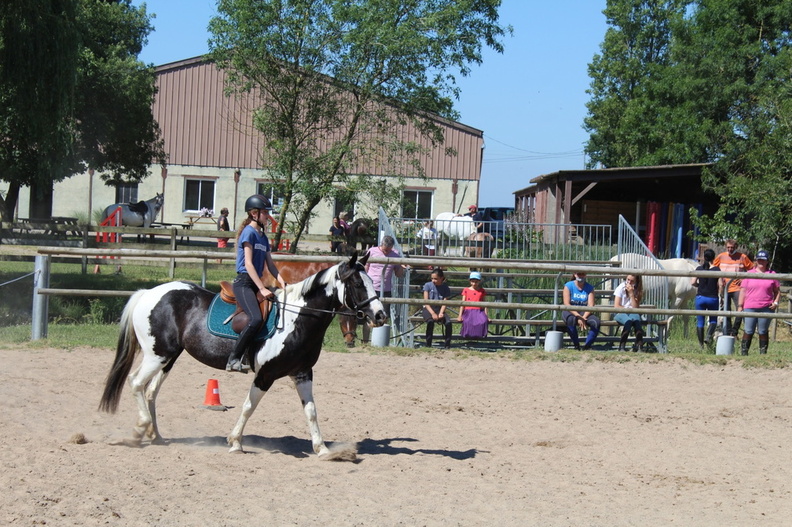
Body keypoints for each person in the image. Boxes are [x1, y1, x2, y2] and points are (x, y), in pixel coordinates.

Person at [227, 194, 287, 372]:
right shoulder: (249, 233)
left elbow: (271, 264)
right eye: (264, 213)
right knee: (255, 319)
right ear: (254, 214)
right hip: (244, 283)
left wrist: (283, 282)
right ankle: (233, 358)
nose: (267, 216)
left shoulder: (263, 237)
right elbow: (248, 263)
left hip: (255, 283)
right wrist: (261, 288)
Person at [737, 250, 780, 355]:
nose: (761, 262)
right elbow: (743, 290)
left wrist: (776, 303)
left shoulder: (772, 274)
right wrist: (740, 305)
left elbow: (777, 291)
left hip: (766, 306)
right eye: (759, 260)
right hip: (750, 306)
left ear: (767, 261)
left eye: (763, 260)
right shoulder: (749, 274)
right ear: (756, 261)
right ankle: (744, 352)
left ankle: (763, 353)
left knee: (763, 331)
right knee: (748, 330)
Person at [713, 240, 754, 336]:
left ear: (736, 247)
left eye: (732, 247)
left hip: (737, 288)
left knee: (740, 309)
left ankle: (735, 331)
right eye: (728, 247)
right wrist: (719, 279)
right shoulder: (721, 256)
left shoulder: (742, 257)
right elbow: (714, 268)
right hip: (724, 288)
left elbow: (752, 269)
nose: (730, 249)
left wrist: (743, 277)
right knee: (726, 310)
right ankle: (727, 331)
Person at [562, 271, 601, 350]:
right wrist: (578, 316)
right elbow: (567, 304)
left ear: (585, 275)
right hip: (570, 310)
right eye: (579, 274)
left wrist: (583, 317)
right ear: (575, 274)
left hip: (584, 311)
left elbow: (591, 305)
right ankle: (576, 345)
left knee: (596, 322)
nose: (581, 276)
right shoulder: (568, 286)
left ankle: (587, 345)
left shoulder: (590, 288)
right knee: (570, 320)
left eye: (583, 274)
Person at [691, 248, 721, 349]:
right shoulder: (717, 270)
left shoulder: (699, 269)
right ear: (714, 258)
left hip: (700, 297)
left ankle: (701, 345)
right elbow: (720, 285)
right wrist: (721, 295)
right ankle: (708, 336)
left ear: (704, 257)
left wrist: (699, 285)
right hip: (712, 298)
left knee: (700, 321)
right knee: (713, 320)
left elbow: (693, 282)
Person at [422, 267, 453, 348]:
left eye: (436, 279)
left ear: (441, 278)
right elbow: (426, 301)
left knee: (448, 323)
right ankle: (428, 343)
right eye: (432, 278)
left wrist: (441, 313)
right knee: (430, 322)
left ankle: (447, 344)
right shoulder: (427, 285)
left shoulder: (445, 287)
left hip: (439, 308)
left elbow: (445, 302)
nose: (433, 280)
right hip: (428, 308)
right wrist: (432, 313)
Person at [613, 273, 644, 351]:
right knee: (628, 321)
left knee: (637, 321)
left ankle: (640, 346)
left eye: (632, 281)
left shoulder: (637, 290)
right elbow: (616, 306)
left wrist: (631, 294)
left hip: (632, 312)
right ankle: (622, 346)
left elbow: (635, 307)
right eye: (628, 280)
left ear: (636, 282)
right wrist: (627, 309)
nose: (629, 283)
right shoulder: (620, 288)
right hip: (620, 312)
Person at [458, 271, 488, 338]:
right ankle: (467, 334)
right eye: (472, 281)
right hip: (468, 310)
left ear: (479, 281)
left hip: (478, 311)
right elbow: (462, 303)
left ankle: (479, 334)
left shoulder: (482, 291)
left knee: (483, 321)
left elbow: (484, 303)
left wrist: (486, 315)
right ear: (470, 281)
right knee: (467, 321)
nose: (474, 283)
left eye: (476, 282)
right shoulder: (466, 290)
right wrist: (460, 315)